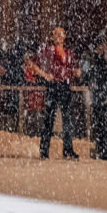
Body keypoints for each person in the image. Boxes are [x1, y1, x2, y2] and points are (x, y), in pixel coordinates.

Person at [28, 26, 81, 160]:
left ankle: (68, 150)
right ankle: (44, 150)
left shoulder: (69, 52)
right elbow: (32, 64)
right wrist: (45, 75)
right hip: (53, 86)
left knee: (67, 120)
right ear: (52, 37)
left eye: (61, 33)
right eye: (56, 34)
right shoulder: (48, 50)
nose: (59, 36)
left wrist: (76, 73)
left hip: (65, 87)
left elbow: (72, 68)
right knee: (49, 119)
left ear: (64, 36)